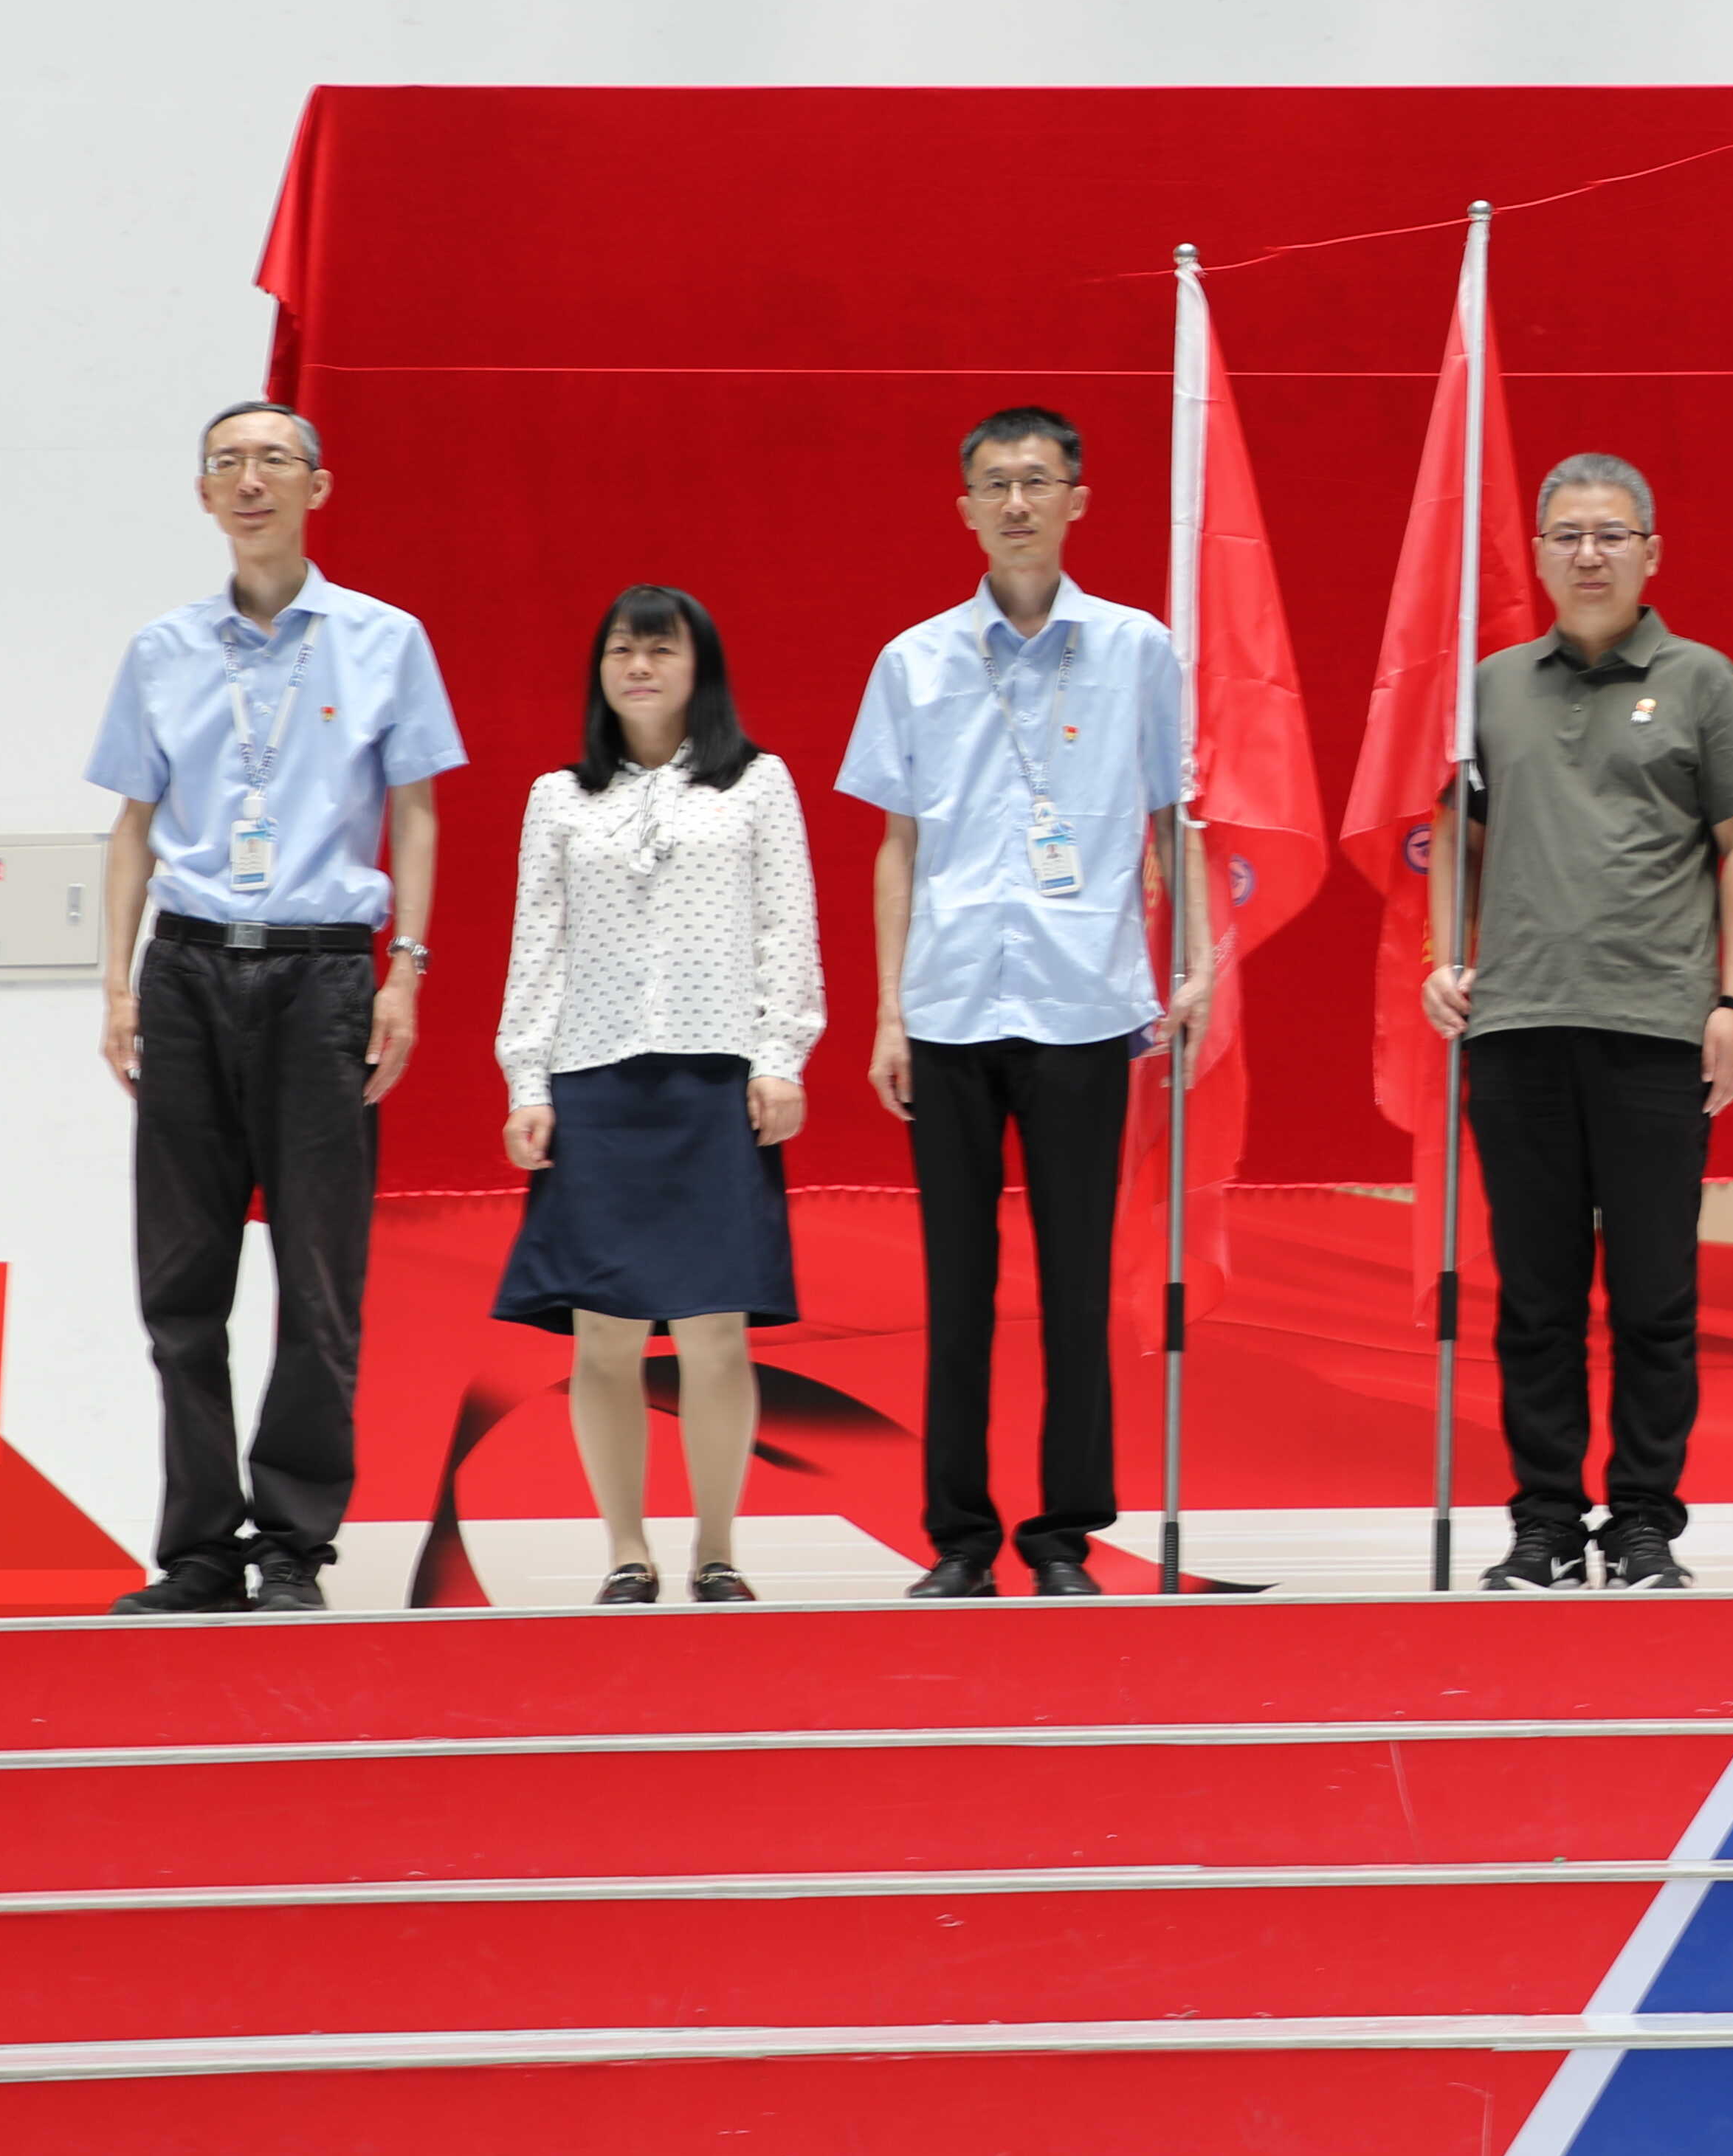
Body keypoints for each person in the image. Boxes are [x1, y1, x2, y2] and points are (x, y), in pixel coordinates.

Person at [87, 400, 464, 1616]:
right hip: (190, 970)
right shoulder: (162, 649)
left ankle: (294, 1542)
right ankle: (199, 1549)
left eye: (274, 462)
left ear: (318, 486)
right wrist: (117, 984)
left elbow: (416, 812)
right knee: (180, 1278)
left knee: (319, 1275)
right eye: (228, 464)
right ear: (204, 494)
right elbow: (133, 826)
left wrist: (405, 970)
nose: (251, 482)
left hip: (323, 974)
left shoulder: (384, 640)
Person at [839, 407, 1208, 1602]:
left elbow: (1175, 820)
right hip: (950, 1008)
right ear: (964, 508)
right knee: (956, 1289)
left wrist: (1198, 962)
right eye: (994, 484)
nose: (1015, 504)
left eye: (1037, 481)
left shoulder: (1138, 650)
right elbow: (896, 846)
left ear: (1076, 500)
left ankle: (1062, 1536)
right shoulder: (914, 660)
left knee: (1075, 1284)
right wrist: (888, 1014)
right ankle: (959, 1537)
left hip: (1085, 1005)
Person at [1426, 452, 1733, 1591]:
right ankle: (1542, 1523)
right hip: (1518, 1025)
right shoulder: (1490, 687)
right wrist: (1444, 960)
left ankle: (1641, 1525)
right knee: (1535, 1299)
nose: (1590, 554)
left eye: (1611, 535)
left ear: (1651, 552)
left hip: (1656, 1028)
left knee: (1653, 1297)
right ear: (1537, 555)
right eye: (1568, 536)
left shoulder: (1703, 681)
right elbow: (1452, 833)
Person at [491, 588, 823, 1605]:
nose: (639, 667)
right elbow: (537, 945)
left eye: (660, 650)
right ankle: (626, 1553)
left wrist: (780, 1055)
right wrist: (528, 1079)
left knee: (716, 1331)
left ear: (699, 667)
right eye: (621, 651)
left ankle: (716, 1551)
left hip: (714, 1080)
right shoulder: (560, 797)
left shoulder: (758, 783)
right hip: (594, 1083)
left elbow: (787, 927)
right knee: (605, 1335)